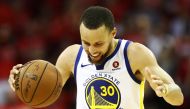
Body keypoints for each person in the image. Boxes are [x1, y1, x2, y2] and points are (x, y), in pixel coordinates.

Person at [8, 6, 184, 109]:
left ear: (113, 33)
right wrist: (21, 81)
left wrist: (166, 91)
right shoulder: (72, 55)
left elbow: (178, 98)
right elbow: (48, 87)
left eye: (98, 44)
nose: (92, 50)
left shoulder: (134, 53)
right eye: (86, 42)